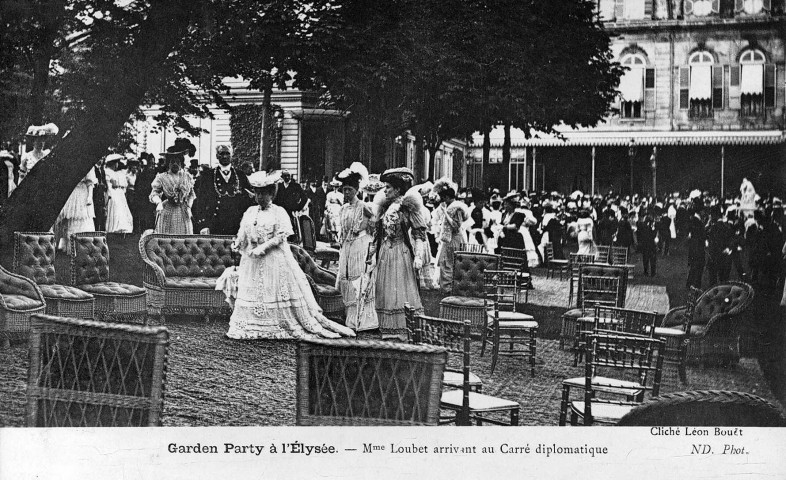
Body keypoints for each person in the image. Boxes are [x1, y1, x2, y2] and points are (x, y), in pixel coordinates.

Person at [226, 170, 354, 340]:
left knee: (273, 291)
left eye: (263, 193)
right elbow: (243, 231)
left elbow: (281, 237)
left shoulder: (278, 212)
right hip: (252, 261)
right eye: (257, 193)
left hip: (273, 259)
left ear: (271, 193)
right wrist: (238, 243)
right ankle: (252, 324)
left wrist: (262, 248)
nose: (259, 197)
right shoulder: (250, 211)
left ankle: (276, 324)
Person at [370, 167, 427, 340]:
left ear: (397, 189)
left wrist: (418, 256)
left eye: (388, 187)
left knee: (401, 290)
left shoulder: (407, 206)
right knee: (386, 290)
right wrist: (371, 252)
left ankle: (403, 329)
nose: (385, 190)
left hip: (401, 251)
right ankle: (387, 327)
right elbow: (378, 234)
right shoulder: (385, 207)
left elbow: (419, 234)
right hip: (386, 252)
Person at [335, 163, 378, 332]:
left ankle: (363, 319)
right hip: (347, 247)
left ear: (357, 190)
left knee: (360, 280)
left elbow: (373, 229)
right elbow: (342, 228)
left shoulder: (365, 207)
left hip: (361, 246)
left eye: (350, 190)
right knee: (346, 279)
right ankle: (349, 316)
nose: (346, 193)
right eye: (344, 189)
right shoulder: (343, 208)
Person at [192, 145, 254, 235]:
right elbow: (200, 202)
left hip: (236, 224)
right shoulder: (208, 176)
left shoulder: (240, 175)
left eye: (227, 153)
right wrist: (203, 225)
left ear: (231, 155)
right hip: (214, 224)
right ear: (217, 156)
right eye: (222, 154)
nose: (225, 156)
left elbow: (249, 200)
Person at [150, 144, 196, 234]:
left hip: (183, 210)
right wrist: (158, 202)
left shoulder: (187, 176)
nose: (175, 164)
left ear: (181, 162)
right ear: (168, 163)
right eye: (172, 161)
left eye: (177, 161)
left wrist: (189, 206)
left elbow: (191, 194)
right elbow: (154, 193)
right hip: (168, 210)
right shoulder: (162, 177)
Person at [433, 178, 467, 293]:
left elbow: (456, 226)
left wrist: (446, 214)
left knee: (449, 262)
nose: (442, 200)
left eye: (443, 198)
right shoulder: (449, 206)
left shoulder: (456, 207)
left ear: (447, 197)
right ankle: (446, 288)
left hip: (455, 239)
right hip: (449, 239)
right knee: (444, 261)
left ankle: (450, 288)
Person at [53, 167, 97, 252]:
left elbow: (89, 182)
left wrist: (90, 196)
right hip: (70, 193)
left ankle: (83, 247)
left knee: (81, 217)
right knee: (69, 218)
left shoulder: (87, 163)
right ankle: (70, 246)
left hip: (81, 193)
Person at [273, 169, 308, 241]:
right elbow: (274, 198)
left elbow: (304, 198)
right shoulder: (279, 186)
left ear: (290, 177)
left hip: (291, 212)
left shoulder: (296, 186)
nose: (287, 178)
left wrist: (297, 208)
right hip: (280, 212)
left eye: (288, 176)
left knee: (292, 230)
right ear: (282, 177)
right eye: (285, 176)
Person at [104, 153, 134, 233]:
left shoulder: (116, 173)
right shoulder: (107, 172)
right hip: (113, 193)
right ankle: (115, 228)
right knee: (116, 211)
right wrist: (110, 193)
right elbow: (108, 184)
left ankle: (122, 228)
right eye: (116, 162)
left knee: (122, 211)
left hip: (118, 193)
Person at [686, 203, 707, 289]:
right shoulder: (697, 221)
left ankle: (691, 283)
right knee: (697, 266)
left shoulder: (695, 220)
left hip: (695, 247)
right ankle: (695, 284)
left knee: (694, 266)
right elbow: (701, 235)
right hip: (697, 247)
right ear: (700, 211)